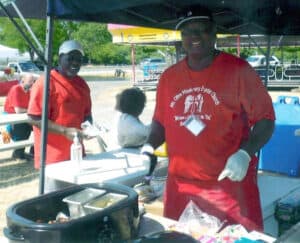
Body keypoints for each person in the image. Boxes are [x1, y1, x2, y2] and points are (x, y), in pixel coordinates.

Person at [141, 6, 275, 232]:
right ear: (181, 37)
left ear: (214, 34)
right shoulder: (169, 77)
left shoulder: (238, 71)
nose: (194, 37)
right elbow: (161, 121)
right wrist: (148, 145)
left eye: (202, 30)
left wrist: (245, 153)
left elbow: (266, 120)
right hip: (179, 189)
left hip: (227, 189)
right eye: (187, 32)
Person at [27, 40, 92, 169]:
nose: (75, 63)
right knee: (56, 190)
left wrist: (89, 129)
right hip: (52, 158)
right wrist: (64, 131)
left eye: (79, 59)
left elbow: (87, 115)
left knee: (80, 189)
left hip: (77, 154)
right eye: (70, 58)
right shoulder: (45, 82)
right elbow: (34, 118)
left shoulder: (82, 84)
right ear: (60, 58)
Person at [4, 73, 35, 160]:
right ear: (22, 80)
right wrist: (31, 110)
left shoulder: (29, 91)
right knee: (23, 129)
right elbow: (18, 111)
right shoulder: (16, 89)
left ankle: (34, 152)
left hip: (24, 116)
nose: (32, 84)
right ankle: (18, 153)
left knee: (39, 127)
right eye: (30, 81)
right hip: (11, 116)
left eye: (33, 81)